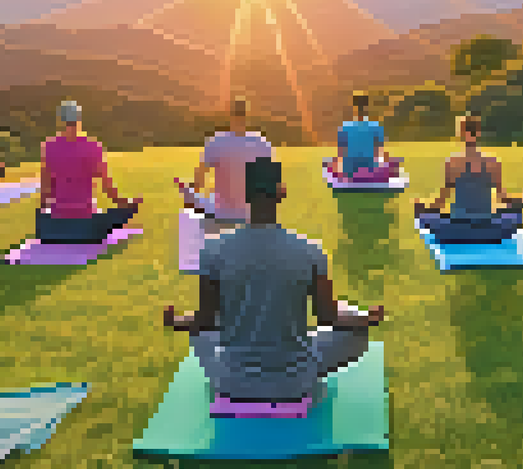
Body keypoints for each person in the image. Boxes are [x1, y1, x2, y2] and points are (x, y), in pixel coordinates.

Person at [163, 157, 386, 403]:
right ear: (282, 193)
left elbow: (203, 320)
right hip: (295, 381)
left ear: (245, 195)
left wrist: (176, 321)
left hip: (231, 381)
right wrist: (367, 318)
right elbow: (328, 317)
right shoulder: (310, 250)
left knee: (200, 331)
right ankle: (295, 348)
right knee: (355, 327)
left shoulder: (212, 249)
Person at [414, 116, 523, 243]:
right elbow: (503, 199)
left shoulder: (452, 163)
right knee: (514, 216)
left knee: (427, 217)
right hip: (488, 229)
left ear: (460, 135)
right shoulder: (493, 162)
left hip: (458, 230)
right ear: (478, 133)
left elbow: (440, 203)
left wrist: (423, 207)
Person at [38, 100, 141, 243]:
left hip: (59, 217)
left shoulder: (49, 146)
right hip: (86, 218)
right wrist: (123, 204)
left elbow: (46, 184)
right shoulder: (92, 146)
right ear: (79, 121)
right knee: (123, 213)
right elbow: (106, 183)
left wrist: (42, 212)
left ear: (60, 121)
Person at [178, 96, 273, 231]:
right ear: (247, 115)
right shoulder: (263, 144)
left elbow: (198, 181)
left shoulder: (216, 142)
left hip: (220, 216)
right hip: (250, 217)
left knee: (191, 208)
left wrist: (191, 194)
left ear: (230, 115)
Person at [331, 92, 402, 181]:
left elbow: (341, 154)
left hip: (349, 171)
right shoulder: (376, 127)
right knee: (393, 161)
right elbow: (380, 152)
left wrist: (339, 170)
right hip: (370, 169)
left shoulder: (344, 128)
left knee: (330, 162)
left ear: (354, 108)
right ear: (367, 108)